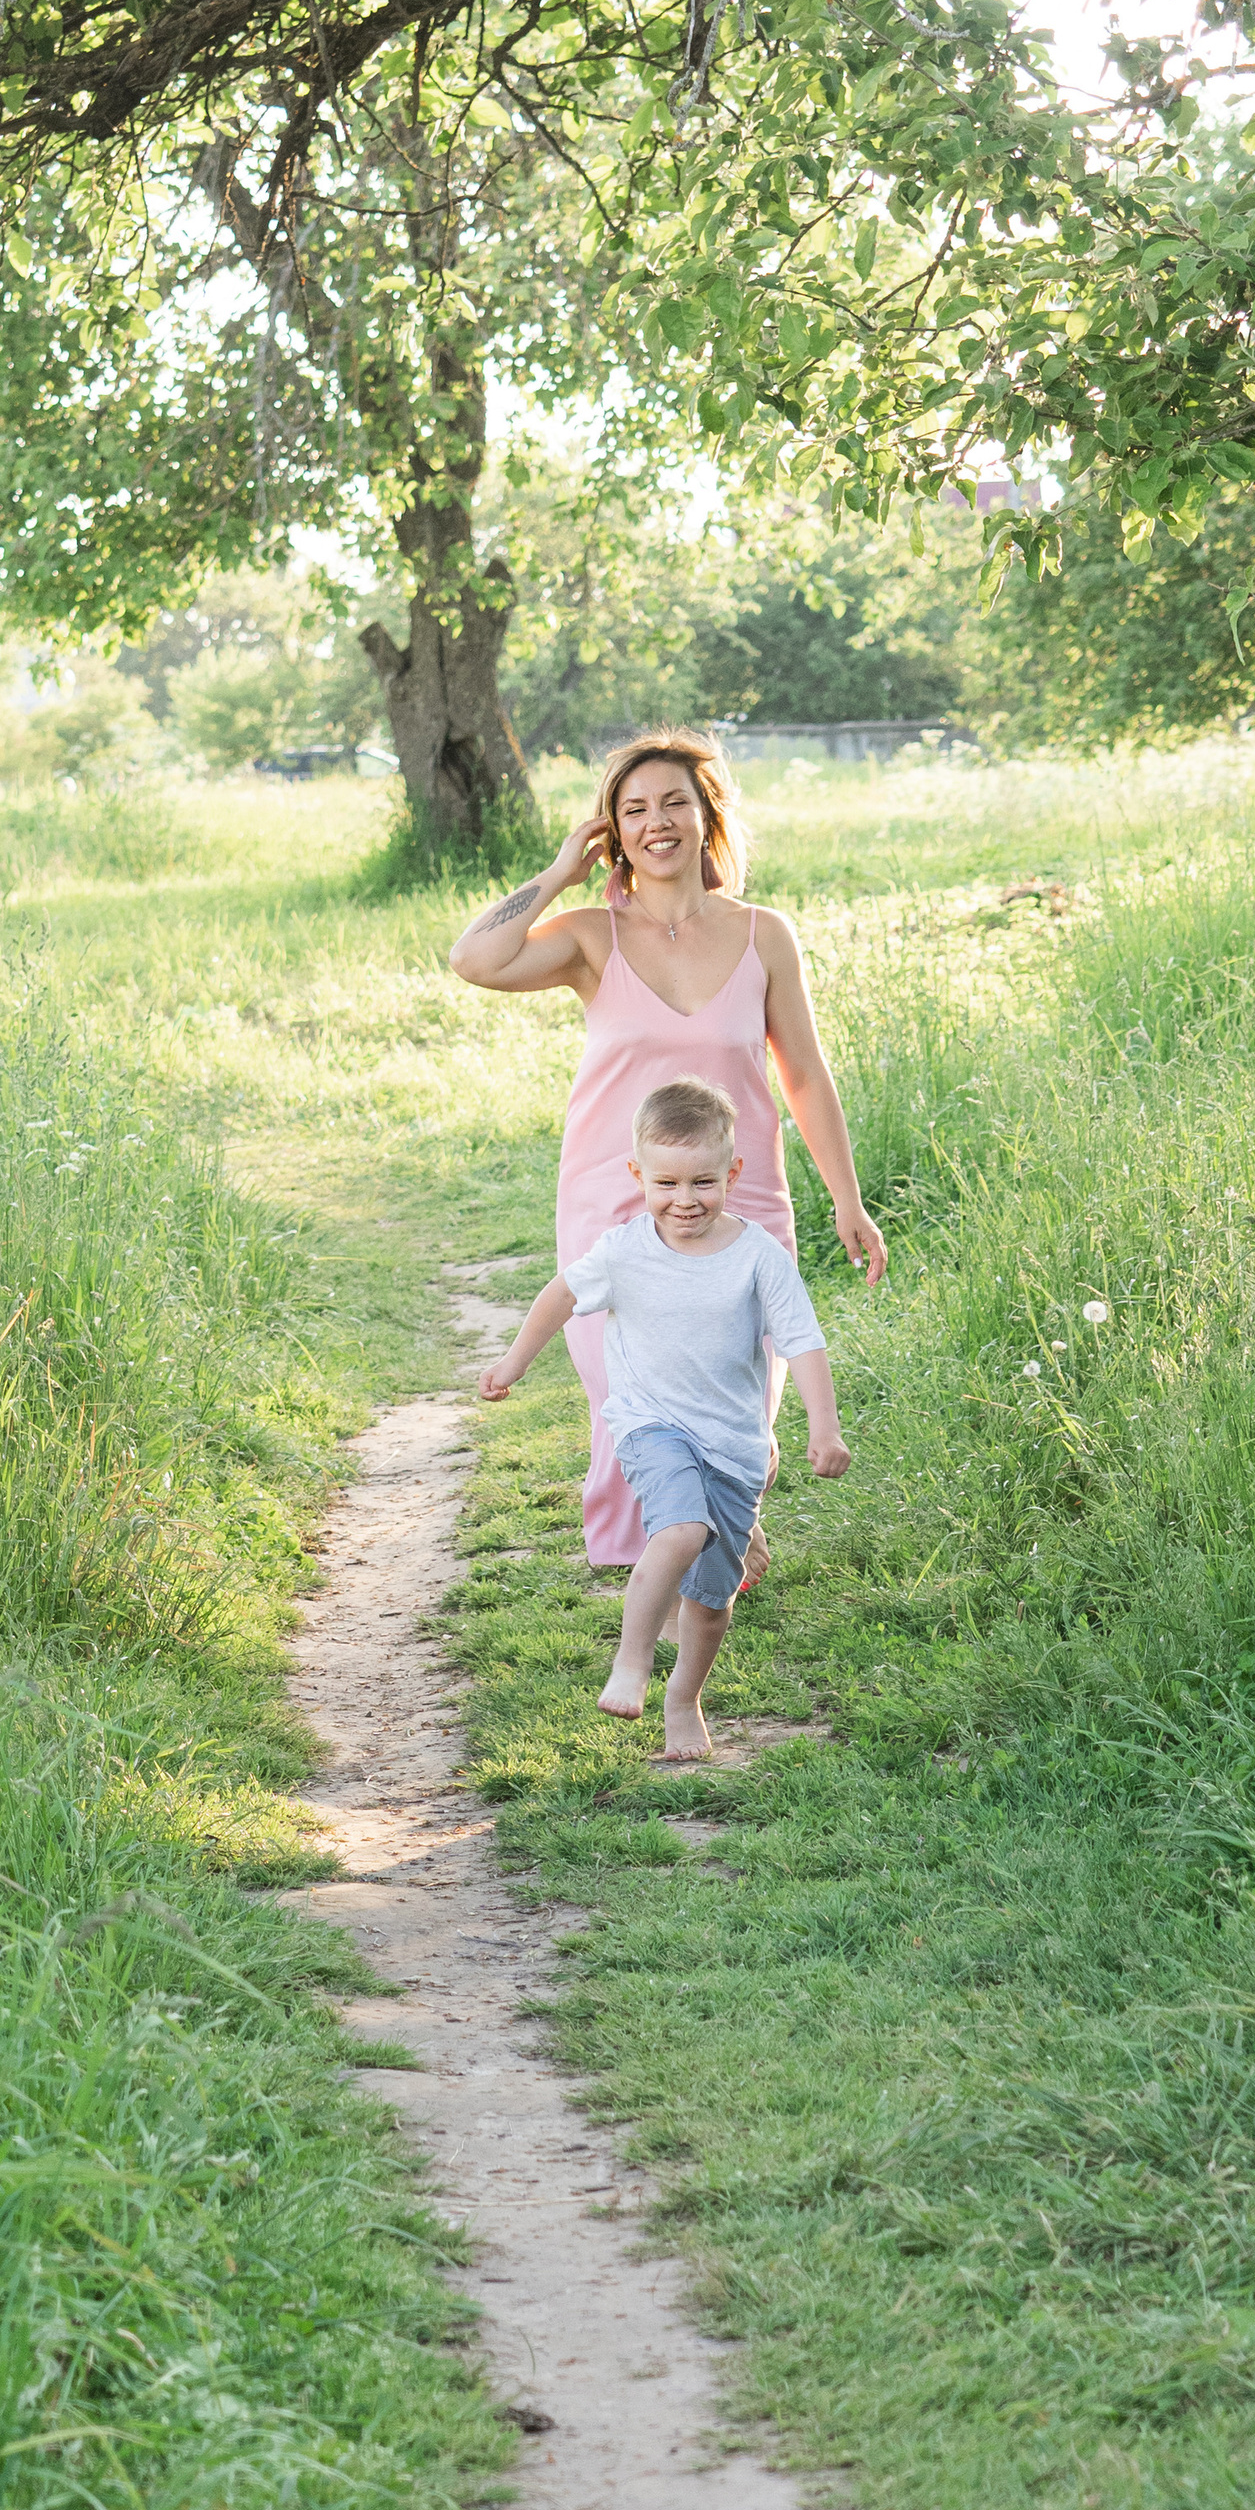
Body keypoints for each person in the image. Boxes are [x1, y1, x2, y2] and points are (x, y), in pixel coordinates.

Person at [447, 726, 885, 1576]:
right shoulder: (590, 936)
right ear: (614, 829)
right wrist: (558, 872)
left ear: (706, 815)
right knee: (626, 1385)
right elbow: (474, 959)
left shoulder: (764, 936)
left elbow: (804, 1075)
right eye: (634, 808)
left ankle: (721, 1528)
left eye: (674, 802)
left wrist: (848, 1196)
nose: (657, 821)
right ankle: (646, 1547)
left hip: (740, 1193)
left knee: (736, 1391)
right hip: (615, 1196)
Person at [475, 1077, 850, 1759]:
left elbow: (803, 1341)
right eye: (667, 1183)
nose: (685, 1200)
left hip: (734, 1447)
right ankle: (633, 1659)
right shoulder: (626, 1251)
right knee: (680, 1529)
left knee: (712, 1604)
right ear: (637, 1175)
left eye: (703, 1182)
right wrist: (512, 1363)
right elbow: (560, 1296)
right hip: (653, 1426)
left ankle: (686, 1699)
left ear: (733, 1172)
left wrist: (823, 1427)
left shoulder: (758, 1256)